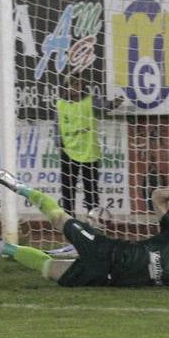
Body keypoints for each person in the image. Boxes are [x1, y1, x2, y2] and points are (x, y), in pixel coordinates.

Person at [0, 169, 169, 288]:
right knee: (59, 219)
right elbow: (157, 196)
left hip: (103, 278)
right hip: (106, 250)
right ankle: (20, 187)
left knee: (48, 269)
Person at [55, 70, 123, 223]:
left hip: (89, 152)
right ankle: (69, 220)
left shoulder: (90, 101)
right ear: (66, 86)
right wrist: (59, 143)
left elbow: (105, 106)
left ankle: (93, 220)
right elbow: (57, 124)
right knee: (68, 188)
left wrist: (116, 101)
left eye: (80, 84)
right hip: (68, 151)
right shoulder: (60, 104)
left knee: (91, 188)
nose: (77, 87)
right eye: (74, 84)